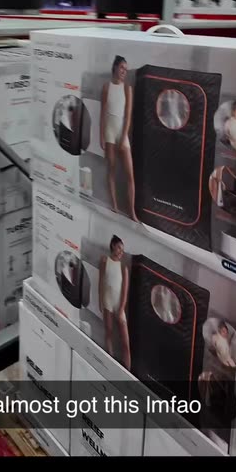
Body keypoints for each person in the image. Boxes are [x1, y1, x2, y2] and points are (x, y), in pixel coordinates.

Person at [100, 55, 137, 221]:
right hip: (109, 132)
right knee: (111, 170)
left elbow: (128, 116)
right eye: (122, 67)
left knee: (130, 175)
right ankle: (114, 206)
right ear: (115, 67)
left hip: (121, 132)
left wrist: (123, 138)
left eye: (126, 69)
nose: (124, 71)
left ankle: (132, 212)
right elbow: (102, 113)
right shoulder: (106, 87)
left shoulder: (127, 89)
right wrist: (101, 136)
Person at [99, 235, 131, 370]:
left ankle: (127, 371)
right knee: (108, 332)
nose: (120, 252)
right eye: (119, 248)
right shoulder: (104, 261)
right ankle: (109, 364)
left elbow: (124, 291)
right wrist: (100, 300)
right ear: (113, 245)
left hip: (119, 305)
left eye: (122, 250)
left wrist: (121, 309)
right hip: (107, 301)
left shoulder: (124, 268)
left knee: (125, 343)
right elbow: (101, 282)